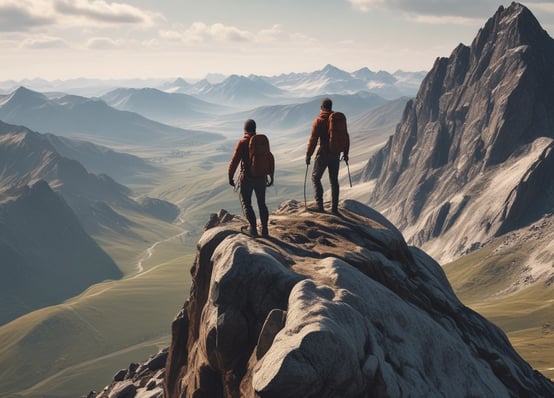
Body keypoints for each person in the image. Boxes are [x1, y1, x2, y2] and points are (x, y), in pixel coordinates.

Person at [228, 119, 274, 237]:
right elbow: (269, 158)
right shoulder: (261, 141)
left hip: (247, 178)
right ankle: (265, 230)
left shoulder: (242, 142)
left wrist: (230, 176)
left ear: (244, 130)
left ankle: (253, 230)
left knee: (247, 204)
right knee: (262, 203)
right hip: (261, 178)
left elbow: (234, 161)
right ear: (255, 128)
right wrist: (270, 175)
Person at [305, 97, 349, 214]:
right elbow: (345, 136)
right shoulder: (337, 119)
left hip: (323, 153)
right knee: (334, 180)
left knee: (315, 177)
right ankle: (334, 209)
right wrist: (345, 153)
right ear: (331, 106)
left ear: (322, 108)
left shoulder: (319, 120)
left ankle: (320, 205)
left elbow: (313, 140)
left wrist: (308, 155)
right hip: (335, 153)